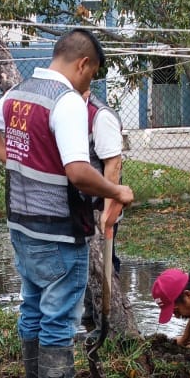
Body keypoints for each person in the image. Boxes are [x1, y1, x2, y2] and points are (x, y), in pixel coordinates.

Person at [0, 29, 134, 378]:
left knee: (32, 308)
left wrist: (18, 162)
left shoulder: (22, 93)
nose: (89, 85)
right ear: (83, 64)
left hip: (22, 226)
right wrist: (117, 190)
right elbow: (79, 174)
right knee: (59, 317)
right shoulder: (67, 103)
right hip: (60, 231)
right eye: (92, 75)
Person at [81, 87, 124, 327]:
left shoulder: (100, 116)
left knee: (103, 262)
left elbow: (113, 165)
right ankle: (90, 314)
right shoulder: (71, 109)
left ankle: (107, 318)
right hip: (79, 205)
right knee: (85, 262)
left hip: (99, 207)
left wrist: (107, 213)